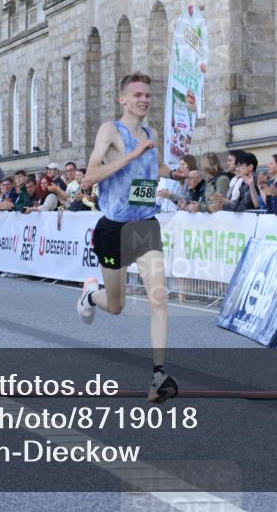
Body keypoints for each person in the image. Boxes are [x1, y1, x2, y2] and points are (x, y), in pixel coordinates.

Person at [79, 72, 181, 403]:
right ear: (123, 99)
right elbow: (88, 178)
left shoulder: (151, 134)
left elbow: (154, 170)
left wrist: (175, 172)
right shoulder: (111, 131)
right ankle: (91, 296)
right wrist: (130, 156)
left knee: (159, 299)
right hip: (113, 228)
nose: (144, 99)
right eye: (137, 94)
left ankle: (158, 375)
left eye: (148, 95)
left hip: (144, 225)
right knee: (116, 305)